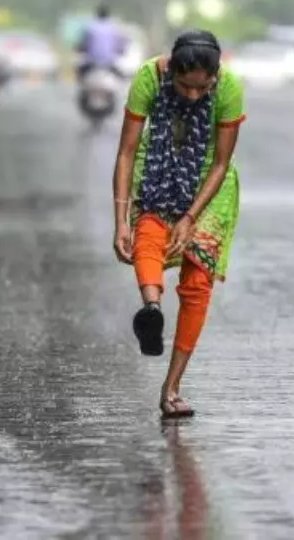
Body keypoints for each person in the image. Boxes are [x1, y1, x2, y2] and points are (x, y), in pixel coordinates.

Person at [111, 29, 244, 419]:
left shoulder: (231, 88)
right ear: (171, 71)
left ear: (215, 77)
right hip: (157, 170)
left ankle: (171, 388)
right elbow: (126, 152)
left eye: (202, 89)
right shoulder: (148, 79)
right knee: (147, 237)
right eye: (184, 86)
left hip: (209, 186)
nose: (192, 96)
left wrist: (190, 217)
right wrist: (120, 220)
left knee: (198, 280)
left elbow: (220, 163)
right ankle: (151, 310)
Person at [77, 4, 130, 79]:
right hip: (110, 63)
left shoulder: (90, 27)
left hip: (92, 63)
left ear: (97, 14)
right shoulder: (115, 27)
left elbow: (82, 44)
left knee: (80, 75)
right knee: (122, 78)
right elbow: (122, 44)